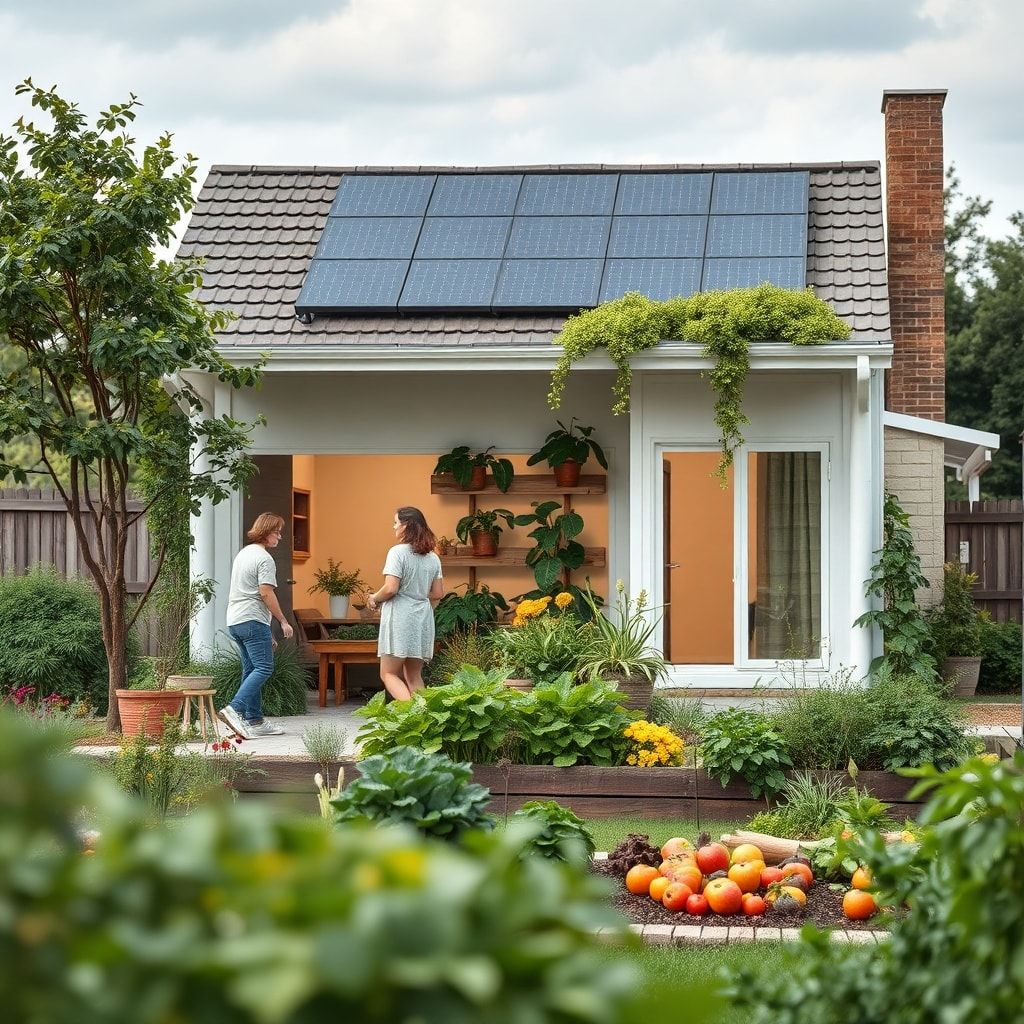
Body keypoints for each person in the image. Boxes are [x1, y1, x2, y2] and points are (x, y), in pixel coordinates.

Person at [218, 512, 295, 739]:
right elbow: (265, 592)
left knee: (251, 668)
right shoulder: (264, 559)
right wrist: (282, 621)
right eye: (277, 532)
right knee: (264, 668)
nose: (279, 537)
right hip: (252, 619)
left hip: (236, 620)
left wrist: (265, 631)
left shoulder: (244, 554)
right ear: (266, 532)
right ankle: (235, 709)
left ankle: (255, 720)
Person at [366, 506, 444, 700]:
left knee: (388, 673)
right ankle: (427, 719)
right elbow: (438, 593)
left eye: (396, 523)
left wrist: (374, 598)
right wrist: (417, 590)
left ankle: (412, 715)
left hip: (401, 616)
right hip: (422, 618)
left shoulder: (397, 552)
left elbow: (391, 588)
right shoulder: (433, 557)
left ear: (406, 525)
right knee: (414, 675)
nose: (393, 527)